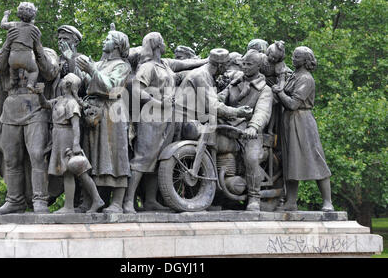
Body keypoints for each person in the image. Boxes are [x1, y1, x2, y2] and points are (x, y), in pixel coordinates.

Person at [122, 33, 209, 214]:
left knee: (161, 159)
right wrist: (159, 102)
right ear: (155, 45)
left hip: (168, 119)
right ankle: (128, 201)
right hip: (151, 118)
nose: (164, 43)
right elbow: (137, 90)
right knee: (143, 159)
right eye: (161, 40)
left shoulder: (166, 64)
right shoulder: (147, 67)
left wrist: (208, 61)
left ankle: (151, 200)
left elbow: (188, 64)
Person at [0, 26, 60, 215]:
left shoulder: (45, 52)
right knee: (11, 158)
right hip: (12, 107)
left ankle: (39, 200)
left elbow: (51, 72)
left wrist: (37, 46)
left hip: (36, 107)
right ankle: (14, 200)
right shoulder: (9, 52)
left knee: (37, 154)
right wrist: (6, 44)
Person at [75, 29, 132, 213]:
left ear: (116, 45)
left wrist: (91, 69)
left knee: (116, 157)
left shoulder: (122, 66)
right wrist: (74, 60)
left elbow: (112, 87)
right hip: (95, 114)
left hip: (112, 114)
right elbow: (86, 84)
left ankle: (117, 202)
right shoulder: (100, 63)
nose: (103, 41)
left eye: (107, 38)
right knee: (94, 157)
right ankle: (91, 200)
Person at [272, 46, 334, 212]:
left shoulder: (306, 78)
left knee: (316, 159)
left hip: (302, 121)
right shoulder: (294, 75)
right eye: (293, 55)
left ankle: (327, 202)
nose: (293, 58)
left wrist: (279, 92)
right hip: (289, 122)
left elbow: (293, 104)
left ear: (306, 60)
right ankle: (291, 201)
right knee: (291, 162)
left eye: (297, 56)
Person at [38, 73, 105, 214]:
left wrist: (75, 144)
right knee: (78, 172)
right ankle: (97, 199)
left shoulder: (72, 103)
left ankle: (69, 207)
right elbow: (44, 104)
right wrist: (39, 94)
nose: (60, 82)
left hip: (66, 137)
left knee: (70, 171)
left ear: (68, 85)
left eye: (63, 80)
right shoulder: (60, 100)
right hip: (58, 137)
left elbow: (75, 126)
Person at [217, 49, 273, 211]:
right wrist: (211, 102)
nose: (245, 67)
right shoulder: (235, 82)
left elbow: (262, 111)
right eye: (244, 63)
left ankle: (254, 196)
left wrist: (254, 127)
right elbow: (220, 97)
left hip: (248, 132)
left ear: (258, 67)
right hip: (227, 126)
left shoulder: (265, 89)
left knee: (252, 158)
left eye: (249, 64)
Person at [0, 2, 41, 92]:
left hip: (13, 56)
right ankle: (30, 84)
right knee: (34, 71)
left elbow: (3, 25)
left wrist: (6, 15)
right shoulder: (35, 29)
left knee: (13, 68)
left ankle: (13, 81)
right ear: (33, 15)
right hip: (27, 56)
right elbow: (38, 38)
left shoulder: (13, 25)